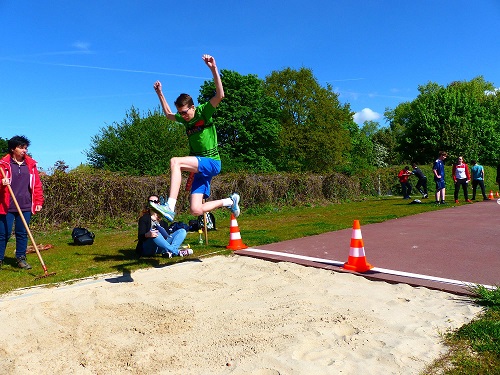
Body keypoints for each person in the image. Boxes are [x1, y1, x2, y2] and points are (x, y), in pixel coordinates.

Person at [150, 54, 240, 222]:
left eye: (185, 112)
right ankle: (230, 201)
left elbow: (220, 95)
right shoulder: (185, 120)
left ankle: (170, 206)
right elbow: (169, 115)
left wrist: (214, 69)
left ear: (192, 107)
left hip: (212, 162)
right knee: (195, 209)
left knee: (175, 162)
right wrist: (160, 93)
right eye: (180, 113)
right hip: (199, 167)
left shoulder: (203, 111)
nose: (183, 116)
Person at [0, 135, 44, 270]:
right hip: (7, 205)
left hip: (25, 204)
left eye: (25, 148)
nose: (24, 150)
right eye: (21, 147)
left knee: (22, 233)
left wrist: (38, 201)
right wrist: (1, 183)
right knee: (3, 234)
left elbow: (36, 184)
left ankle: (21, 258)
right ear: (13, 149)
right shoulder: (3, 165)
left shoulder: (30, 165)